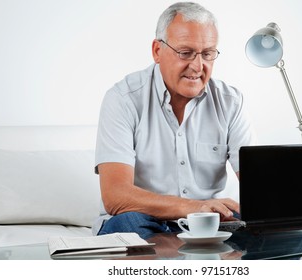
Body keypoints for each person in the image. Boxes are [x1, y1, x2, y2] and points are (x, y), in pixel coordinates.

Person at [93, 2, 255, 239]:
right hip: (142, 219)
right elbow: (116, 196)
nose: (198, 66)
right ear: (157, 51)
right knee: (129, 226)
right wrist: (193, 207)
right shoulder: (122, 99)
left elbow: (257, 187)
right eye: (185, 52)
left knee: (273, 229)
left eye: (208, 53)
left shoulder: (230, 102)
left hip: (208, 223)